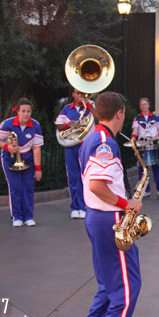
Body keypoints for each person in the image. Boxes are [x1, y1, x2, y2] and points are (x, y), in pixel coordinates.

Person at [74, 91, 142, 317]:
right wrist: (128, 204)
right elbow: (97, 186)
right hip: (110, 219)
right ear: (120, 113)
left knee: (108, 284)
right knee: (128, 285)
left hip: (97, 218)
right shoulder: (105, 142)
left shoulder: (92, 138)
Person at [0, 98, 43, 227]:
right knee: (15, 187)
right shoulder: (8, 124)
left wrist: (38, 168)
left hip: (28, 159)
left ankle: (28, 216)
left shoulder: (35, 125)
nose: (26, 114)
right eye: (23, 111)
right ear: (18, 112)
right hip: (10, 158)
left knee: (28, 187)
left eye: (28, 111)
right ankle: (17, 216)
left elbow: (37, 148)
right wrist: (7, 147)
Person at [55, 88, 97, 219]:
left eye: (83, 93)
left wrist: (88, 104)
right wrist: (68, 124)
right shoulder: (67, 109)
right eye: (78, 93)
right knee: (73, 177)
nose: (80, 96)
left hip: (86, 146)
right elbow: (58, 125)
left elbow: (99, 118)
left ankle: (85, 206)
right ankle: (75, 206)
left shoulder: (90, 107)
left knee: (86, 176)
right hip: (71, 147)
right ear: (73, 94)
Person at [131, 98, 159, 198]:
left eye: (145, 104)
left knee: (157, 168)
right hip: (142, 144)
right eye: (141, 104)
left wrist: (157, 136)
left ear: (149, 105)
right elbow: (135, 130)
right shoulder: (137, 118)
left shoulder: (155, 117)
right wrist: (133, 139)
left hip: (153, 143)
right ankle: (145, 190)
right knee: (142, 169)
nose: (143, 106)